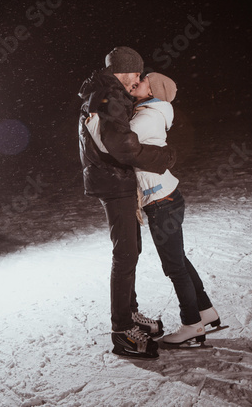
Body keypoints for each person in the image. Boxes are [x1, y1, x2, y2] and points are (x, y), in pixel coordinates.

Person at [78, 47, 176, 358]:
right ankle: (121, 331)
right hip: (113, 180)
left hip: (114, 178)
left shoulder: (108, 92)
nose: (138, 79)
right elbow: (123, 146)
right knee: (125, 254)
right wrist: (164, 157)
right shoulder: (109, 95)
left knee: (132, 248)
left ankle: (130, 313)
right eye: (136, 73)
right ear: (124, 72)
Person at [129, 72, 220, 344]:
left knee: (174, 267)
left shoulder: (148, 116)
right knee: (179, 260)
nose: (138, 81)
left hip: (160, 201)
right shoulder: (151, 110)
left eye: (144, 80)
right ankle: (205, 311)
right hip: (168, 196)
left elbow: (118, 143)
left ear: (154, 91)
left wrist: (97, 121)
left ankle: (192, 324)